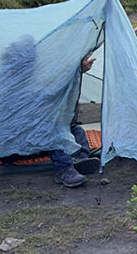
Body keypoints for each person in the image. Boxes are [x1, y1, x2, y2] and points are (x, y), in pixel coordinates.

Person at [51, 52, 100, 188]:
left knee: (76, 130)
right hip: (14, 147)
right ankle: (64, 169)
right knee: (53, 131)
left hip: (38, 141)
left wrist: (80, 72)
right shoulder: (14, 86)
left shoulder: (35, 79)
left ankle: (80, 159)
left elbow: (59, 92)